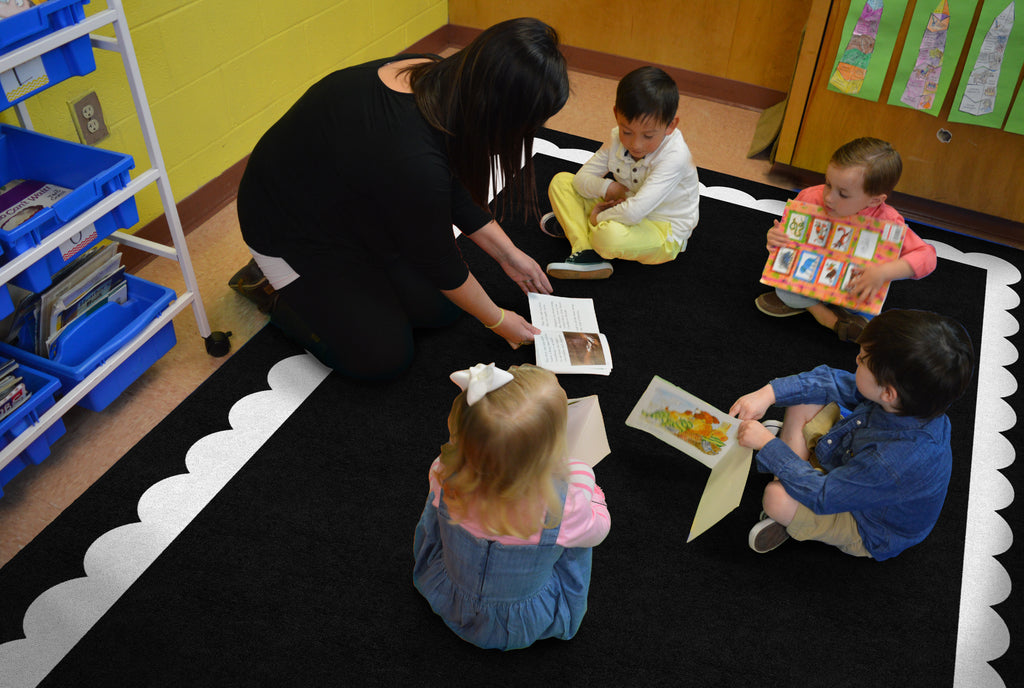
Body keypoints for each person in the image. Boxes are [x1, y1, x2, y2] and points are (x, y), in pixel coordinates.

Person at [231, 18, 569, 379]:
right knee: (383, 358)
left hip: (355, 204)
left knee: (443, 311)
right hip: (288, 230)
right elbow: (439, 259)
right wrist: (498, 320)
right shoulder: (411, 157)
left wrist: (508, 254)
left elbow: (449, 182)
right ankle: (270, 286)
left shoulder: (437, 76)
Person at [729, 309, 974, 560]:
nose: (856, 359)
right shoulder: (911, 402)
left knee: (775, 498)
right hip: (853, 467)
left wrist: (769, 446)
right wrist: (768, 393)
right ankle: (791, 472)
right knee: (806, 398)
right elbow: (832, 382)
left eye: (863, 360)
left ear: (888, 393)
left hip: (868, 524)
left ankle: (789, 496)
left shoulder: (891, 461)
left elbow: (825, 495)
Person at [413, 363, 610, 650]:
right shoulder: (563, 505)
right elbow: (599, 529)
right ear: (547, 452)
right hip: (519, 618)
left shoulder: (443, 472)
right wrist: (584, 476)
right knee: (577, 539)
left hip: (450, 592)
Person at [755, 137, 937, 342]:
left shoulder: (888, 222)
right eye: (828, 184)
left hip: (852, 286)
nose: (829, 198)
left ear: (875, 200)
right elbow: (788, 240)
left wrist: (883, 272)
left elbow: (928, 257)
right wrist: (774, 238)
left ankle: (825, 310)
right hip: (810, 274)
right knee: (784, 289)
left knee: (864, 304)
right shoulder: (810, 198)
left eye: (843, 194)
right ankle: (825, 316)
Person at [541, 66, 699, 279]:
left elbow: (634, 213)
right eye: (627, 132)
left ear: (671, 126)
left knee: (608, 237)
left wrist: (599, 218)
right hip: (624, 205)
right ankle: (586, 250)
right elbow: (581, 179)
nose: (636, 144)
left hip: (663, 229)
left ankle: (580, 229)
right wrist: (608, 187)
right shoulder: (616, 136)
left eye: (648, 136)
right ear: (616, 114)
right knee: (562, 182)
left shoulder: (675, 156)